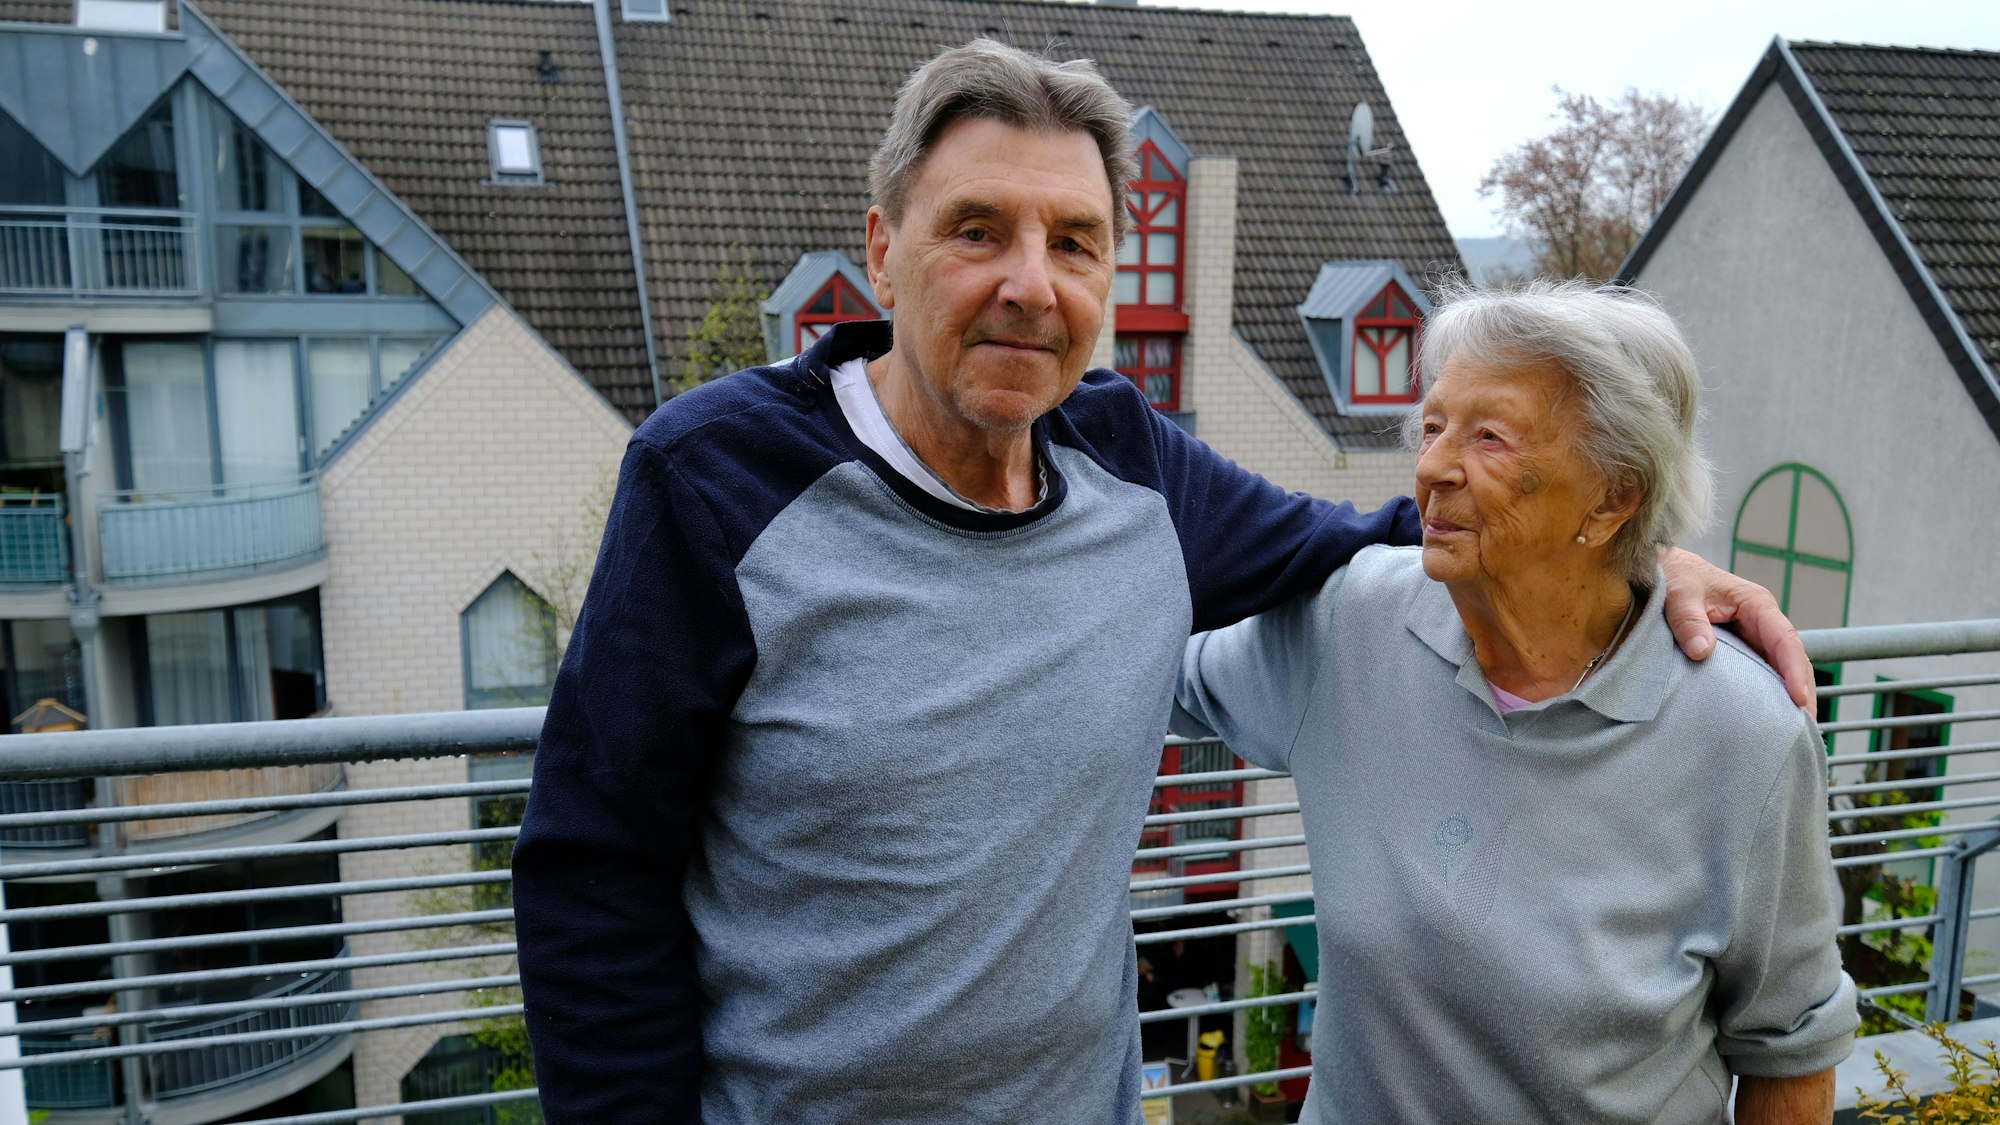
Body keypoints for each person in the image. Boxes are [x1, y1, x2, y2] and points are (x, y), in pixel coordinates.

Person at [512, 41, 1814, 1124]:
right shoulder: (713, 480)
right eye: (978, 230)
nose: (1030, 284)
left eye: (1075, 243)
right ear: (884, 247)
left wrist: (1624, 555)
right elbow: (594, 869)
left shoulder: (1130, 462)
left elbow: (1367, 534)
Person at [1175, 281, 1856, 1124]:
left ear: (1612, 496)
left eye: (1489, 437)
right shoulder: (1352, 622)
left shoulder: (1743, 734)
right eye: (1433, 426)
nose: (1432, 467)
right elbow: (1152, 667)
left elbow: (1791, 1047)